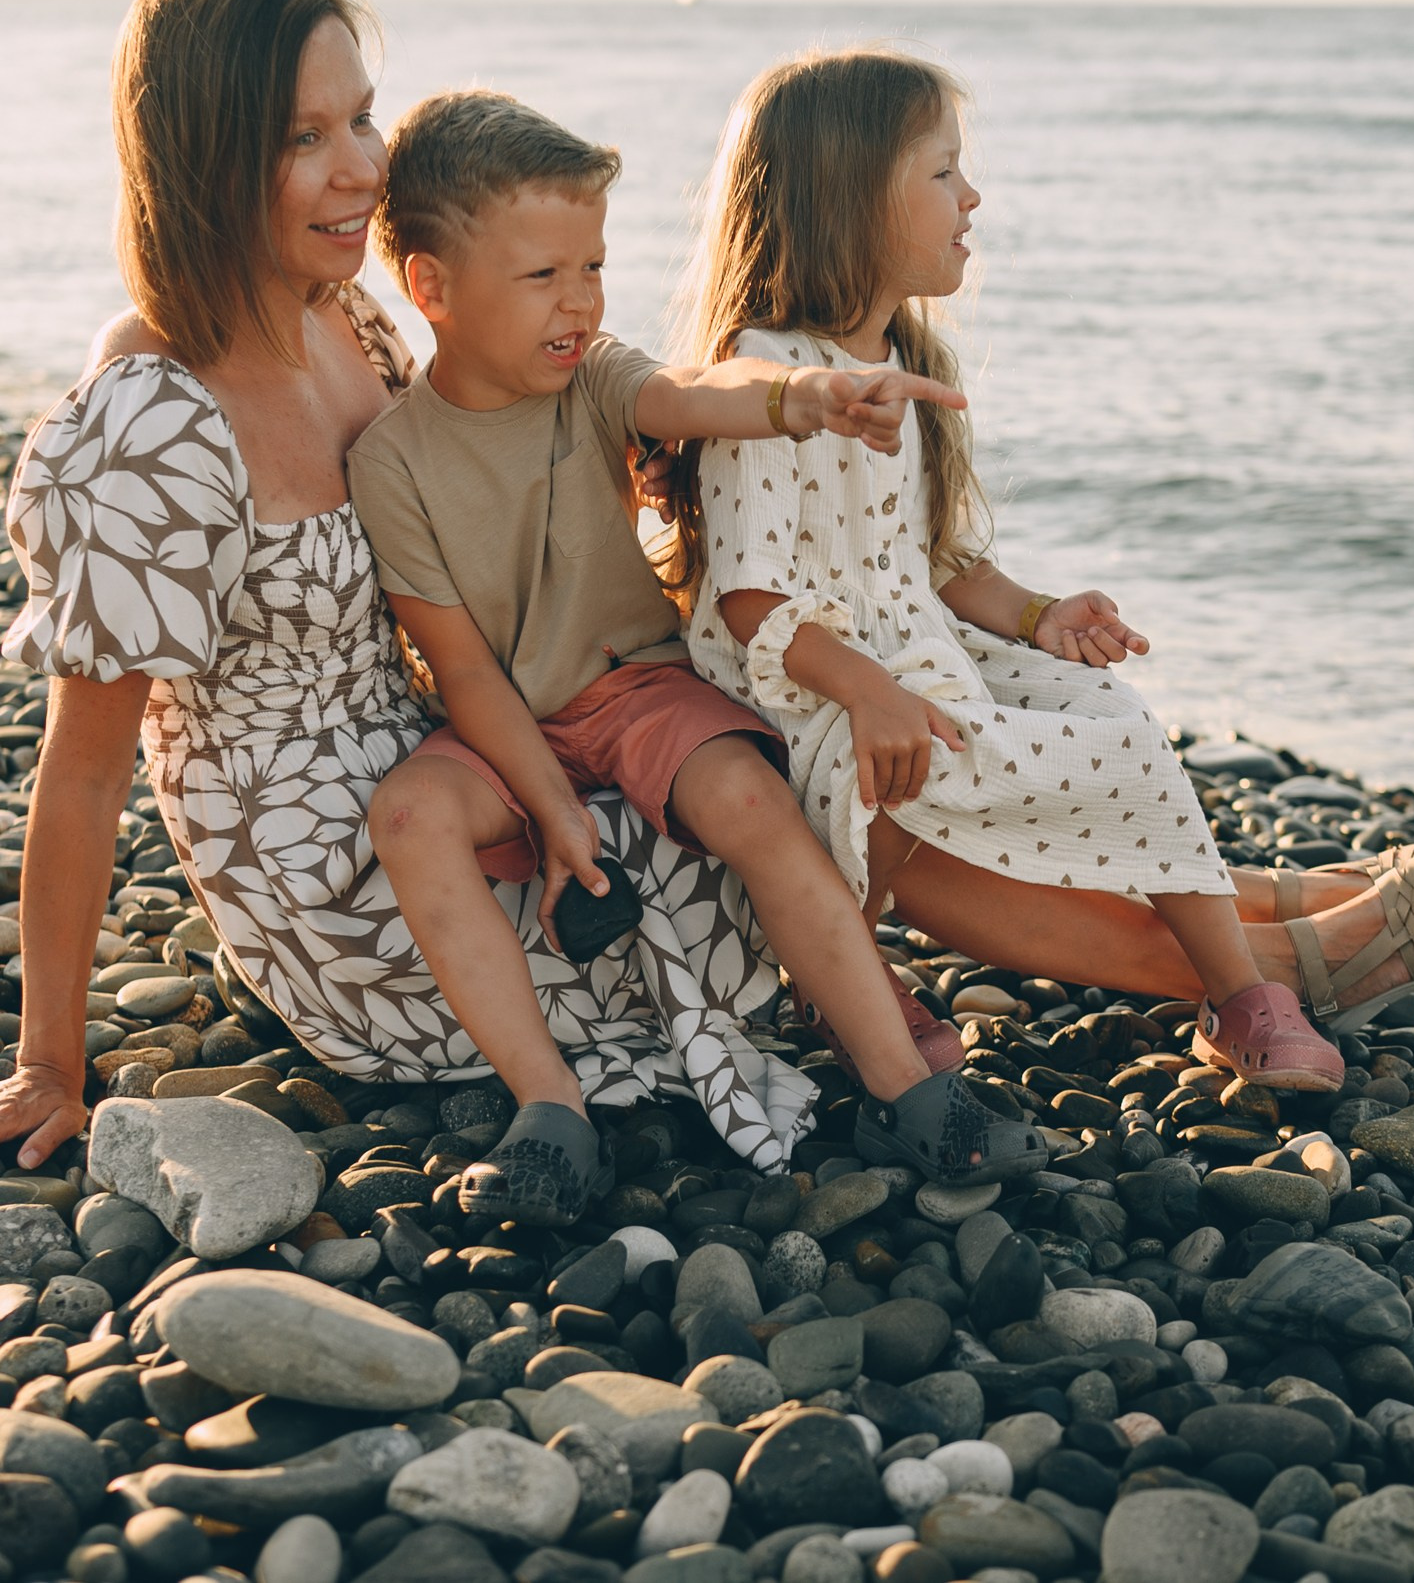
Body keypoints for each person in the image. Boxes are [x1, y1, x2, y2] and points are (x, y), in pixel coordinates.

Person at [0, 0, 827, 1181]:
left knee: (757, 775)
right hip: (328, 874)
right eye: (304, 137)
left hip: (441, 748)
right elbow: (87, 761)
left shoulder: (348, 318)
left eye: (364, 118)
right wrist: (47, 1065)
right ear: (204, 159)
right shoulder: (154, 414)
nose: (363, 169)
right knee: (734, 859)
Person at [670, 49, 1414, 1092]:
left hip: (916, 656)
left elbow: (932, 561)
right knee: (889, 772)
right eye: (941, 172)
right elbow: (752, 596)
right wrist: (871, 690)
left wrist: (1040, 614)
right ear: (847, 196)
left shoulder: (906, 358)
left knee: (1115, 717)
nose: (972, 196)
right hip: (813, 688)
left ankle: (1239, 992)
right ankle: (853, 977)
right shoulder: (767, 379)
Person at [350, 90, 1049, 1223]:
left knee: (748, 794)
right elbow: (465, 672)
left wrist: (805, 395)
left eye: (595, 266)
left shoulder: (598, 374)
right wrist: (549, 808)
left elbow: (692, 393)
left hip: (639, 688)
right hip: (505, 722)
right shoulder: (392, 463)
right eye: (544, 277)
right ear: (431, 287)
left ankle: (900, 1086)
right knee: (408, 816)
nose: (580, 301)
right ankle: (550, 1108)